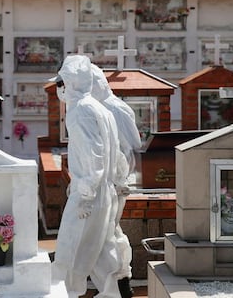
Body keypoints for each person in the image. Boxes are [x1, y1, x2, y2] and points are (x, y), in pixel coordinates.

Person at [52, 55, 128, 298]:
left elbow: (93, 156)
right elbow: (115, 154)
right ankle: (118, 291)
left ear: (71, 82)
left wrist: (84, 194)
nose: (59, 89)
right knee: (101, 250)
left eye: (60, 83)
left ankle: (65, 295)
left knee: (70, 251)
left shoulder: (80, 111)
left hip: (90, 195)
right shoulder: (99, 109)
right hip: (103, 192)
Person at [91, 63, 142, 298]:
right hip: (113, 180)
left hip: (113, 182)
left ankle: (114, 288)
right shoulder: (108, 105)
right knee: (112, 235)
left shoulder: (109, 108)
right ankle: (122, 284)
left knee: (104, 238)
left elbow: (130, 147)